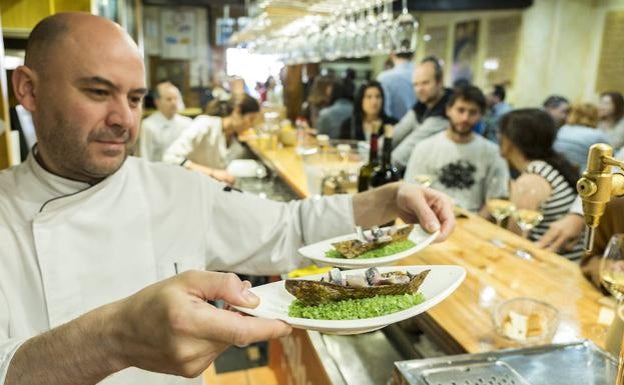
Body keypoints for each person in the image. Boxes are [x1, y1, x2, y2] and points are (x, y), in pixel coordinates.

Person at [0, 13, 455, 385]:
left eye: (136, 98)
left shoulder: (176, 190)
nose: (123, 118)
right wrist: (113, 338)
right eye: (98, 92)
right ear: (28, 89)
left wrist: (386, 199)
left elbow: (288, 228)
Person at [404, 85, 509, 214]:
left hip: (474, 220)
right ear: (448, 110)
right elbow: (412, 191)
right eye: (461, 110)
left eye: (473, 112)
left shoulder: (492, 152)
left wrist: (477, 225)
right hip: (432, 217)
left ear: (481, 115)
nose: (465, 118)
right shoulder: (424, 148)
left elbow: (495, 198)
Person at [498, 109, 583, 260]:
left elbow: (514, 238)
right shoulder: (552, 166)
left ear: (510, 141)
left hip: (547, 265)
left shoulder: (532, 179)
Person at [162, 94, 261, 185]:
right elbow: (170, 158)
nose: (251, 125)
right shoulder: (205, 124)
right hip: (188, 187)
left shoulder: (235, 139)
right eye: (250, 119)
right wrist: (212, 173)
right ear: (237, 111)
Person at [392, 56, 452, 172]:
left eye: (425, 83)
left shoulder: (447, 110)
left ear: (440, 82)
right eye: (415, 84)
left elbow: (402, 155)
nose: (419, 89)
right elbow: (396, 133)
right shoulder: (423, 104)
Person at [138, 81, 192, 162]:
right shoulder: (148, 125)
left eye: (175, 99)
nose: (173, 103)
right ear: (157, 102)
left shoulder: (187, 123)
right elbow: (144, 156)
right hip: (158, 172)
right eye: (169, 99)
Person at [553, 103, 608, 175]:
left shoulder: (564, 129)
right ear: (595, 116)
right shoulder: (597, 135)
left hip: (557, 171)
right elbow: (610, 157)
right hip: (580, 177)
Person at [376, 51, 416, 121]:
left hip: (393, 127)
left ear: (392, 54)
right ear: (413, 55)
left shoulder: (384, 78)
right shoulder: (422, 75)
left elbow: (383, 110)